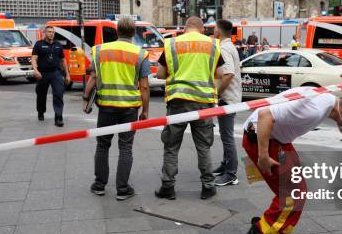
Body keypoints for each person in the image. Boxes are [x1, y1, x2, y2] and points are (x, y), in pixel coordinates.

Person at [241, 90, 342, 234]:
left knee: (296, 192)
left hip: (277, 139)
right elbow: (265, 115)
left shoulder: (326, 102)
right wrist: (263, 156)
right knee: (292, 195)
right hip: (262, 138)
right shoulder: (315, 109)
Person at [155, 16, 224, 200]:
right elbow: (220, 74)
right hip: (203, 103)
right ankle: (208, 187)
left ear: (185, 29)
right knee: (203, 146)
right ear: (202, 29)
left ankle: (168, 187)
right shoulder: (212, 44)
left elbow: (160, 74)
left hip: (178, 101)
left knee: (171, 146)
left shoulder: (172, 44)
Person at [82, 16, 151, 199]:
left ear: (116, 31)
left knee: (102, 145)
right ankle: (122, 189)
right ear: (134, 33)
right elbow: (144, 86)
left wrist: (85, 98)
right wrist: (145, 110)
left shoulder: (100, 51)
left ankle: (99, 185)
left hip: (106, 107)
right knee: (126, 147)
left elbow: (93, 78)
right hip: (129, 109)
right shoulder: (140, 54)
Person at [213, 20, 242, 186]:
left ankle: (231, 174)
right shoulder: (228, 46)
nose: (214, 30)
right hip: (230, 97)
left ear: (219, 31)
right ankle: (225, 166)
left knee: (227, 137)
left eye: (215, 28)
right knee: (226, 136)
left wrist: (217, 94)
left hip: (227, 98)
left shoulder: (223, 47)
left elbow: (229, 74)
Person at [31, 26, 71, 127]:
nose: (51, 34)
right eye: (49, 32)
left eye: (53, 32)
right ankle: (41, 111)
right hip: (42, 73)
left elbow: (63, 61)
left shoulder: (58, 45)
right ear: (45, 33)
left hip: (56, 73)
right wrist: (35, 70)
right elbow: (34, 59)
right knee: (41, 95)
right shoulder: (39, 44)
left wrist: (67, 74)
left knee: (58, 94)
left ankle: (58, 117)